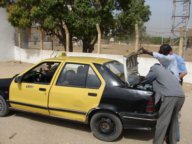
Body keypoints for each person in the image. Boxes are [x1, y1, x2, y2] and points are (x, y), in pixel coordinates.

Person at [141, 63, 185, 144]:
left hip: (170, 97)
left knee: (163, 122)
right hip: (181, 96)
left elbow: (146, 80)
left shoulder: (154, 68)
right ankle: (172, 141)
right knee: (173, 120)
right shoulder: (168, 71)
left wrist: (139, 82)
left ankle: (158, 142)